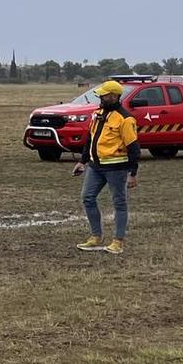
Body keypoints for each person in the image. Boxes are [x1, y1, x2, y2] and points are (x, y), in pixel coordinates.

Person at [76, 79, 140, 255]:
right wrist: (82, 161)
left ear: (113, 96)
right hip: (95, 167)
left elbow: (134, 148)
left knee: (119, 203)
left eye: (103, 95)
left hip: (117, 168)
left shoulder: (125, 119)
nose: (100, 98)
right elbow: (90, 138)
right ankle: (96, 236)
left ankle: (118, 241)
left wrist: (132, 173)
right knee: (88, 198)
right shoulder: (98, 114)